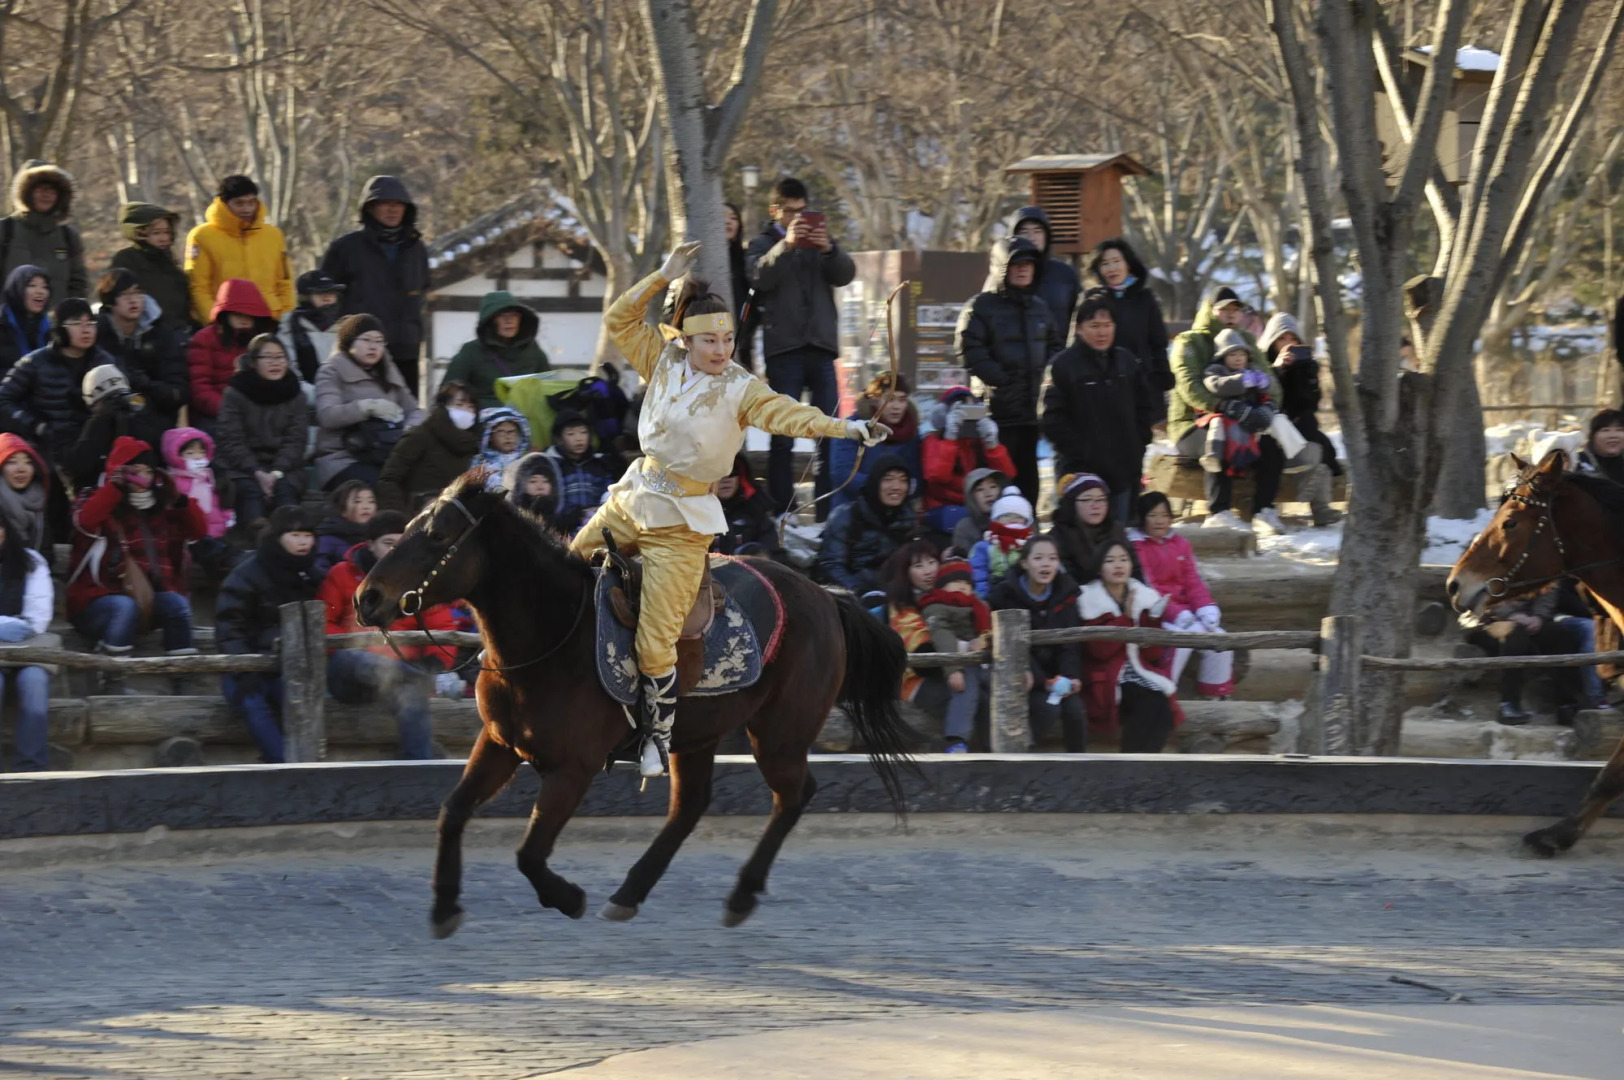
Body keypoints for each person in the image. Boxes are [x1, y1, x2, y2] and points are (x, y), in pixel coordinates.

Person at [575, 239, 885, 776]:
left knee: (656, 639)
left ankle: (655, 735)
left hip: (682, 523)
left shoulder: (741, 388)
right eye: (710, 341)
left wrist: (846, 427)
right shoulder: (663, 360)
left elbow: (790, 414)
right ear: (685, 339)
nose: (721, 350)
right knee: (568, 568)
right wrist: (662, 274)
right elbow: (618, 318)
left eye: (727, 340)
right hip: (633, 496)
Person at [746, 177, 857, 515]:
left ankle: (826, 509)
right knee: (783, 434)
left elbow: (845, 274)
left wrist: (829, 249)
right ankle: (783, 510)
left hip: (821, 347)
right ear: (774, 211)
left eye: (803, 211)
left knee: (828, 432)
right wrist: (787, 245)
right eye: (791, 212)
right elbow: (758, 277)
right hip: (784, 350)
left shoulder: (820, 241)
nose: (798, 218)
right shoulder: (762, 243)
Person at [65, 436, 205, 694]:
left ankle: (182, 677)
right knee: (124, 607)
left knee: (177, 605)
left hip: (147, 600)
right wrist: (114, 488)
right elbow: (85, 522)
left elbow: (199, 531)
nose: (143, 478)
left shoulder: (162, 508)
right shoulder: (95, 498)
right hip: (95, 602)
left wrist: (179, 499)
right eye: (136, 471)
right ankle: (111, 679)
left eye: (148, 471)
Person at [318, 509, 451, 760]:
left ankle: (419, 769)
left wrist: (434, 662)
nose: (395, 550)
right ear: (370, 544)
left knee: (412, 695)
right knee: (355, 659)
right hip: (349, 671)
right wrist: (358, 644)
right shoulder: (342, 574)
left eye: (401, 543)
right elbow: (324, 622)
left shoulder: (418, 580)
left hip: (393, 679)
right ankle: (419, 678)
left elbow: (441, 626)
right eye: (388, 543)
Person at [1168, 287, 1287, 533]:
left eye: (1236, 309)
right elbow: (1188, 385)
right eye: (1224, 309)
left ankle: (1263, 510)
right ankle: (1219, 511)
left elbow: (1269, 381)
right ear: (1209, 311)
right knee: (1222, 440)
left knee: (1272, 446)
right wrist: (1223, 406)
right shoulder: (1190, 342)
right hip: (1193, 423)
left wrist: (1268, 406)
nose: (1231, 315)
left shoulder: (1247, 342)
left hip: (1244, 418)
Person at [216, 505, 323, 762]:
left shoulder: (312, 575)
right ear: (278, 537)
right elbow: (229, 626)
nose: (303, 542)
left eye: (307, 535)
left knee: (300, 704)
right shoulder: (247, 574)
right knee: (252, 703)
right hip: (249, 664)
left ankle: (304, 765)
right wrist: (244, 669)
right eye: (295, 535)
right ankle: (283, 766)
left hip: (293, 667)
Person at [1041, 291, 1157, 520]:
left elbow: (1144, 405)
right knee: (1081, 533)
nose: (1102, 332)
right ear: (1079, 328)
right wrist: (1080, 452)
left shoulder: (1126, 361)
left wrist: (1139, 443)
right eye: (1094, 326)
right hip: (1081, 472)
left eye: (1107, 325)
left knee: (1120, 533)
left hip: (1124, 468)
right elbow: (1051, 418)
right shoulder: (1062, 365)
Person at [955, 235, 1052, 501]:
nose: (1023, 269)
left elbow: (1055, 346)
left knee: (1029, 482)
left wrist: (1046, 381)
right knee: (996, 483)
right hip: (996, 413)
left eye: (1028, 264)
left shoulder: (1040, 308)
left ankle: (1028, 526)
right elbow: (968, 349)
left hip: (1032, 413)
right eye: (1016, 264)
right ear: (1001, 267)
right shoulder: (980, 307)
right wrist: (1001, 381)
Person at [320, 176, 430, 397]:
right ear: (369, 208)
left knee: (405, 411)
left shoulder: (416, 249)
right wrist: (346, 333)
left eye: (398, 204)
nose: (393, 210)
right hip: (359, 349)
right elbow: (325, 298)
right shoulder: (346, 248)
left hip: (405, 349)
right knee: (362, 409)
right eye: (385, 203)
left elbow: (424, 290)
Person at [1129, 491, 1234, 700]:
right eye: (1153, 515)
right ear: (1142, 517)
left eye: (1164, 515)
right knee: (1180, 643)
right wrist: (1176, 614)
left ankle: (1215, 694)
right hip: (1156, 613)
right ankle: (1165, 693)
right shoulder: (1137, 547)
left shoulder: (1180, 544)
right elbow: (1150, 587)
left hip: (1187, 612)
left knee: (1220, 641)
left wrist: (1205, 607)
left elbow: (1192, 581)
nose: (1159, 521)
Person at [987, 533, 1086, 751]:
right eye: (1038, 558)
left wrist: (1070, 676)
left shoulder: (1066, 593)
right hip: (1023, 675)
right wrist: (1043, 681)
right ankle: (1017, 757)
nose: (1046, 564)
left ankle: (1080, 765)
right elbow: (1010, 645)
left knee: (1075, 710)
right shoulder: (1005, 595)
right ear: (1024, 563)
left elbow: (1071, 642)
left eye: (1052, 558)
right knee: (1047, 710)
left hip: (1058, 675)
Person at [1078, 539, 1176, 752]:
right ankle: (1130, 763)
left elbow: (1152, 656)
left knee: (1163, 710)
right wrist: (1126, 618)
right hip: (1107, 675)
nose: (1118, 565)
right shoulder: (1088, 599)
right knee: (1147, 704)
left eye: (1123, 559)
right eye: (1110, 561)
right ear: (1099, 567)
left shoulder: (1144, 596)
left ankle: (1143, 765)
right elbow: (1098, 651)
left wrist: (1152, 621)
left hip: (1139, 671)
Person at [885, 543, 984, 753]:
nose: (928, 571)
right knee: (974, 689)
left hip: (952, 672)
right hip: (917, 680)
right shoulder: (901, 605)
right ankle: (956, 744)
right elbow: (922, 651)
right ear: (906, 572)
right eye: (918, 566)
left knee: (980, 691)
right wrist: (968, 647)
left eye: (932, 562)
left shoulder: (950, 594)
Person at [0, 297, 113, 477]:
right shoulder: (35, 362)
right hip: (48, 451)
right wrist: (35, 426)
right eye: (77, 323)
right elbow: (3, 399)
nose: (86, 330)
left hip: (95, 450)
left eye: (90, 323)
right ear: (59, 329)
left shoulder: (105, 362)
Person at [313, 313, 421, 490]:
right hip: (343, 458)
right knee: (384, 486)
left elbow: (414, 410)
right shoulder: (331, 371)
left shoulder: (388, 371)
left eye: (379, 341)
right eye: (366, 340)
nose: (373, 346)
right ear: (349, 342)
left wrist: (409, 430)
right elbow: (327, 415)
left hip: (386, 452)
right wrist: (366, 408)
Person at [215, 334, 309, 529]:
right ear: (253, 362)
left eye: (280, 357)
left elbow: (296, 440)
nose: (276, 363)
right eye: (268, 357)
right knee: (250, 491)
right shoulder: (235, 393)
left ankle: (290, 532)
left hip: (284, 467)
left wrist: (276, 472)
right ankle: (257, 531)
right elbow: (231, 439)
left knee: (285, 489)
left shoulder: (296, 394)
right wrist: (256, 471)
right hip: (242, 467)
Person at [1260, 311, 1341, 526]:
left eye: (1293, 339)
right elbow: (1264, 398)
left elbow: (1309, 405)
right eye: (1282, 339)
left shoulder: (1303, 366)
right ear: (1271, 341)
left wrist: (1307, 377)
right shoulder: (1260, 364)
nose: (1288, 344)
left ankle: (1321, 509)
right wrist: (1277, 370)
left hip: (1297, 432)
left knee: (1319, 446)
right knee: (1316, 447)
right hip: (1267, 432)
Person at [1463, 588, 1584, 725]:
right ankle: (1508, 704)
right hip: (1489, 621)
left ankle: (1567, 705)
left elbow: (1549, 591)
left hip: (1528, 621)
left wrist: (1538, 617)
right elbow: (1484, 597)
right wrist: (1512, 614)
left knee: (1559, 634)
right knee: (1514, 634)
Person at [184, 175, 293, 324]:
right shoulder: (202, 236)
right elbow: (199, 287)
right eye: (239, 204)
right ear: (224, 203)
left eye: (251, 203)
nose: (246, 209)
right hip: (227, 321)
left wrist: (286, 319)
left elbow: (285, 282)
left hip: (270, 319)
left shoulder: (274, 235)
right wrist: (215, 323)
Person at [94, 268, 189, 426]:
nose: (133, 300)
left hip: (157, 416)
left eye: (137, 293)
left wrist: (147, 385)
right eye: (124, 295)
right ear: (110, 300)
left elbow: (178, 388)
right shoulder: (98, 334)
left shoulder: (160, 333)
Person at [816, 452, 918, 597]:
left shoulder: (908, 517)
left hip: (894, 593)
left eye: (903, 480)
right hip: (851, 595)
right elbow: (831, 565)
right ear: (875, 482)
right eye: (888, 479)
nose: (897, 487)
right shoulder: (846, 516)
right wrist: (859, 591)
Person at [919, 386, 1016, 539]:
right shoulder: (933, 440)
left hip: (979, 503)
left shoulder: (980, 440)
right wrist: (950, 438)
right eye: (960, 411)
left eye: (971, 410)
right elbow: (936, 475)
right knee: (969, 520)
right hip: (944, 507)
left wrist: (992, 444)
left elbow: (1006, 476)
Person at [376, 379, 481, 514]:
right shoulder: (420, 435)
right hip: (416, 514)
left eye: (471, 407)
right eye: (459, 405)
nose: (465, 411)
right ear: (444, 406)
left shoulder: (471, 444)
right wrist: (399, 516)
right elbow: (389, 479)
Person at [186, 279, 278, 433]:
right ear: (225, 314)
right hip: (216, 414)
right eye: (237, 314)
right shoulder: (204, 339)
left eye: (250, 315)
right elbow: (200, 388)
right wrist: (229, 410)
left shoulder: (263, 340)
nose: (244, 319)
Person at [63, 364, 170, 494]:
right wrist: (99, 421)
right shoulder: (75, 425)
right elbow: (78, 467)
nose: (116, 406)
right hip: (97, 494)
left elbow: (152, 460)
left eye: (121, 398)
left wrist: (134, 422)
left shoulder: (138, 422)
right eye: (108, 400)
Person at [0, 515, 53, 771]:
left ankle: (31, 769)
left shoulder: (31, 561)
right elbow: (20, 624)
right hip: (16, 636)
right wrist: (10, 625)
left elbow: (37, 619)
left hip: (27, 648)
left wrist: (14, 627)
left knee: (34, 683)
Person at [828, 372, 921, 513]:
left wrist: (902, 488)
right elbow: (843, 474)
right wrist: (882, 485)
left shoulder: (912, 432)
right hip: (852, 510)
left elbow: (916, 478)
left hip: (896, 513)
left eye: (902, 400)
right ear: (875, 400)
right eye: (889, 399)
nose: (896, 406)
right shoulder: (851, 428)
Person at [1088, 238, 1172, 392]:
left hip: (1142, 383)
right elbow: (1077, 343)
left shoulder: (1145, 299)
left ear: (1128, 264)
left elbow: (1158, 344)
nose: (1112, 268)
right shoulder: (1091, 299)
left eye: (1116, 261)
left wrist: (1160, 378)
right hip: (1102, 385)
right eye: (1105, 263)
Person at [442, 291, 550, 409]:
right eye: (501, 315)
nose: (509, 320)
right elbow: (447, 395)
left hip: (526, 418)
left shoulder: (533, 351)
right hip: (484, 418)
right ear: (490, 321)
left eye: (514, 315)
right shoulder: (470, 352)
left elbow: (550, 390)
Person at [0, 161, 86, 301]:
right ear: (26, 191)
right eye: (40, 189)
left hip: (57, 314)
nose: (46, 194)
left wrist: (72, 311)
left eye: (52, 190)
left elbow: (78, 284)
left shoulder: (68, 237)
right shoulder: (5, 230)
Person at [1198, 328, 1277, 474]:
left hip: (1253, 411)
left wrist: (1265, 383)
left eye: (1242, 354)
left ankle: (1293, 452)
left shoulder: (1253, 369)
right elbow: (1215, 385)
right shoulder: (1215, 370)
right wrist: (1241, 381)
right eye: (1232, 355)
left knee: (1278, 421)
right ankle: (1213, 455)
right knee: (1217, 424)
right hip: (1228, 412)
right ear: (1223, 356)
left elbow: (1269, 387)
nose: (1238, 358)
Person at [109, 203, 192, 338]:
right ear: (140, 233)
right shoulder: (127, 259)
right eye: (156, 233)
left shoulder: (169, 260)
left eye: (167, 232)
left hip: (181, 332)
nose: (164, 238)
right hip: (148, 335)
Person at [161, 426, 232, 577]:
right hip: (191, 533)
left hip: (216, 528)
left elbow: (219, 500)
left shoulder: (210, 476)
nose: (197, 457)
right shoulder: (173, 481)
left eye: (201, 452)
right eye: (190, 453)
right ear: (176, 455)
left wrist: (227, 516)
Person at [1012, 205, 1081, 351]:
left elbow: (1082, 319)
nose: (1031, 237)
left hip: (1060, 357)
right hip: (1014, 359)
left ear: (1046, 236)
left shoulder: (1065, 274)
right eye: (1024, 232)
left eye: (1037, 231)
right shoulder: (1002, 276)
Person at [1051, 472, 1134, 586]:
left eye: (1101, 499)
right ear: (1071, 503)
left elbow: (1134, 567)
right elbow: (1067, 580)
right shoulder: (1058, 536)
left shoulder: (1116, 530)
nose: (1095, 506)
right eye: (1087, 500)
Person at [543, 408, 619, 534]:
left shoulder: (600, 464)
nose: (579, 439)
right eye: (571, 434)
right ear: (559, 439)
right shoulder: (551, 465)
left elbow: (609, 493)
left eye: (583, 432)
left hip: (597, 526)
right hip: (562, 530)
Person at [279, 270, 345, 384]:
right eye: (319, 293)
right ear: (305, 298)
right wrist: (311, 391)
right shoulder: (291, 326)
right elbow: (288, 368)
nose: (327, 298)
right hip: (307, 391)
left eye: (331, 292)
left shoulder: (347, 325)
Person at [969, 486, 1034, 598]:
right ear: (997, 520)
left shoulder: (1033, 545)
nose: (1012, 519)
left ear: (1026, 520)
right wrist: (983, 597)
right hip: (994, 596)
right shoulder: (984, 547)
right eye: (1006, 515)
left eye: (1018, 516)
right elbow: (977, 573)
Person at [713, 453, 781, 558]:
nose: (726, 479)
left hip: (748, 568)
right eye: (719, 474)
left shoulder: (756, 510)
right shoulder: (693, 514)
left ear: (741, 477)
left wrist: (761, 555)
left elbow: (775, 553)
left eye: (733, 472)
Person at [723, 201, 758, 373]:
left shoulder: (745, 260)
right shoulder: (697, 262)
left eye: (733, 218)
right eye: (722, 217)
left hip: (741, 345)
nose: (728, 221)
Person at [314, 479, 375, 577]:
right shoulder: (328, 538)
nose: (366, 507)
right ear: (342, 508)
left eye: (371, 501)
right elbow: (320, 570)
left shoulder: (379, 535)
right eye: (357, 501)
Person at [0, 265, 51, 376]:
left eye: (45, 287)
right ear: (16, 288)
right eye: (32, 285)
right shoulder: (3, 323)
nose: (40, 291)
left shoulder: (49, 326)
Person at [948, 466, 1010, 557]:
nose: (988, 493)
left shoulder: (1018, 519)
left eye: (993, 487)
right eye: (979, 489)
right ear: (971, 498)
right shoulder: (965, 528)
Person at [0, 433, 48, 550]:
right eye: (12, 462)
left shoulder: (38, 501)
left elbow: (47, 551)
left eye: (28, 462)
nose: (21, 469)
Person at [470, 405, 531, 486]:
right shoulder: (479, 464)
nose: (508, 436)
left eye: (512, 431)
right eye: (501, 431)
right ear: (489, 436)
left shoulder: (527, 462)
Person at [503, 450, 563, 529]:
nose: (540, 486)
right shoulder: (511, 521)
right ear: (521, 485)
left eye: (546, 481)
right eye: (533, 481)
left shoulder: (560, 522)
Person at [1575, 409, 1624, 484]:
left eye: (1619, 430)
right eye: (1605, 430)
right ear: (1592, 436)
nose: (1613, 436)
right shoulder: (1575, 463)